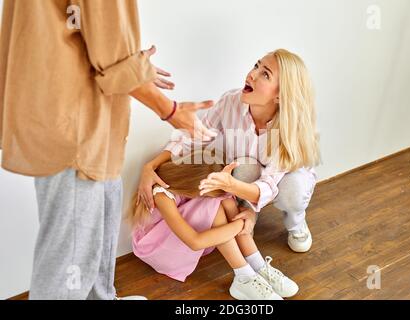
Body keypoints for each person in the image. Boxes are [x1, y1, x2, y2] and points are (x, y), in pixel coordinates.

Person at [0, 0, 215, 300]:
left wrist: (134, 68)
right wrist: (171, 110)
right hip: (76, 126)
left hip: (74, 119)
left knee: (94, 234)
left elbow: (80, 30)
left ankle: (102, 297)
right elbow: (113, 57)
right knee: (69, 262)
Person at [139, 49, 321, 260]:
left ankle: (296, 221)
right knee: (242, 168)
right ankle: (245, 212)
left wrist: (231, 188)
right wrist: (150, 166)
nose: (251, 74)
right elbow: (192, 138)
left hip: (286, 180)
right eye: (256, 66)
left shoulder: (291, 129)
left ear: (280, 95)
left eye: (265, 74)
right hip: (248, 174)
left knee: (293, 189)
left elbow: (270, 185)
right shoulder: (230, 102)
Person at [130, 150, 298, 300]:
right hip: (159, 249)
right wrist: (242, 223)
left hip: (181, 238)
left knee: (222, 198)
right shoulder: (162, 195)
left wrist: (249, 215)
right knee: (215, 204)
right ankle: (244, 276)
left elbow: (171, 151)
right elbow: (195, 242)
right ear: (194, 184)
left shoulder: (187, 168)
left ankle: (258, 266)